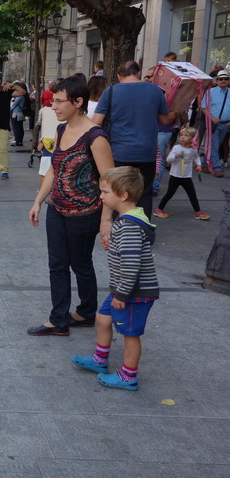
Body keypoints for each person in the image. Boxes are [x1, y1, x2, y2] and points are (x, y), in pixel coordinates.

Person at [28, 76, 114, 336]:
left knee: (81, 264)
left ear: (78, 102)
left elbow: (109, 182)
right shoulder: (61, 130)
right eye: (52, 101)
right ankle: (59, 320)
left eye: (58, 101)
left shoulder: (96, 137)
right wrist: (38, 201)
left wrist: (105, 219)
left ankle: (87, 312)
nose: (53, 106)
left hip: (85, 213)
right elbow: (55, 168)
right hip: (57, 209)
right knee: (57, 264)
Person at [71, 166, 159, 391]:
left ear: (123, 195)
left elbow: (132, 265)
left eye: (105, 192)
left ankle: (128, 377)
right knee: (102, 318)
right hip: (122, 289)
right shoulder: (129, 221)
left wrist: (122, 293)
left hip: (132, 292)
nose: (100, 196)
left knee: (130, 334)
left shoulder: (129, 226)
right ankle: (100, 359)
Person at [93, 61, 177, 216]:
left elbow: (96, 123)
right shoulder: (155, 91)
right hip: (147, 152)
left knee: (118, 190)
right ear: (138, 73)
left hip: (119, 152)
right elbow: (165, 120)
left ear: (119, 76)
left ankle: (120, 227)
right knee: (144, 193)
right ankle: (141, 229)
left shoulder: (110, 92)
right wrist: (175, 112)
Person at [153, 128, 210, 220]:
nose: (183, 137)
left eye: (186, 135)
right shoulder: (176, 148)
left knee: (192, 194)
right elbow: (168, 159)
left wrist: (199, 165)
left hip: (186, 176)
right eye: (181, 135)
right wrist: (175, 156)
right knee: (169, 194)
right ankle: (159, 209)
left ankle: (198, 212)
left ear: (193, 138)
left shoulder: (193, 149)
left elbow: (196, 157)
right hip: (176, 176)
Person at [205, 69, 230, 177]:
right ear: (217, 80)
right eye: (221, 79)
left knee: (217, 144)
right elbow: (203, 107)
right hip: (213, 124)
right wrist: (212, 117)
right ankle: (216, 167)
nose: (223, 81)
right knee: (215, 145)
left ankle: (206, 163)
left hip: (226, 124)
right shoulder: (211, 92)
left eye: (226, 79)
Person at [10, 82, 27, 147]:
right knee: (20, 127)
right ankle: (19, 141)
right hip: (20, 113)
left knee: (16, 127)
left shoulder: (20, 97)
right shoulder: (23, 96)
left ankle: (17, 141)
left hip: (16, 113)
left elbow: (13, 105)